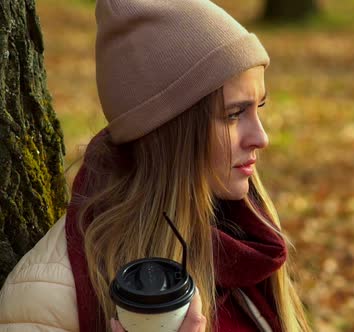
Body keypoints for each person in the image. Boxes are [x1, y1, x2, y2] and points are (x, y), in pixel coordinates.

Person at [0, 0, 311, 331]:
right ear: (170, 135)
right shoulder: (48, 297)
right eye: (234, 114)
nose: (260, 138)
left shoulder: (248, 247)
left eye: (258, 107)